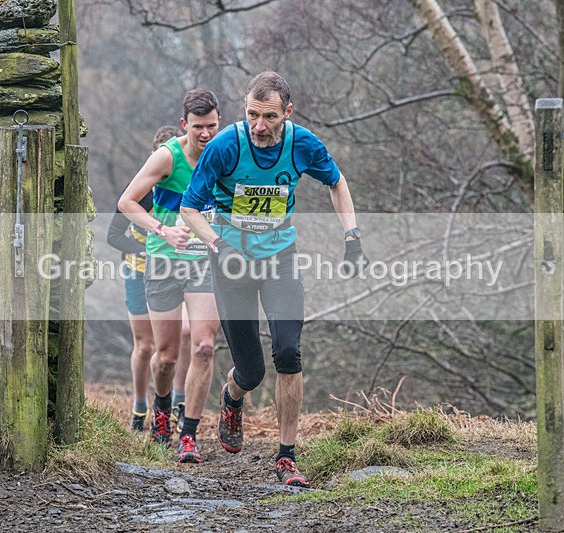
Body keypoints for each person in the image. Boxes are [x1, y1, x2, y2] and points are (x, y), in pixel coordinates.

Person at [180, 71, 368, 487]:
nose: (259, 126)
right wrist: (217, 244)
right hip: (232, 263)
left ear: (288, 111)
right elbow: (189, 209)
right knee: (250, 371)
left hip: (280, 258)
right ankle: (232, 397)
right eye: (251, 115)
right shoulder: (227, 145)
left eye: (268, 117)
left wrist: (351, 235)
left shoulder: (303, 144)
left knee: (288, 353)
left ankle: (286, 457)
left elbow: (337, 184)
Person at [118, 89, 222, 463]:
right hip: (163, 260)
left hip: (204, 262)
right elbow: (127, 203)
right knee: (165, 357)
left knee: (205, 346)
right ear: (185, 125)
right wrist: (161, 231)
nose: (206, 135)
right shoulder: (167, 157)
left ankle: (189, 433)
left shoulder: (225, 154)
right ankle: (161, 412)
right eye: (198, 128)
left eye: (212, 126)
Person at [106, 125, 192, 433]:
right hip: (138, 272)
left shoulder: (185, 190)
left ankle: (178, 402)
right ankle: (140, 407)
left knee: (183, 336)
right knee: (146, 346)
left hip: (175, 269)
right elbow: (113, 235)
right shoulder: (140, 194)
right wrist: (142, 249)